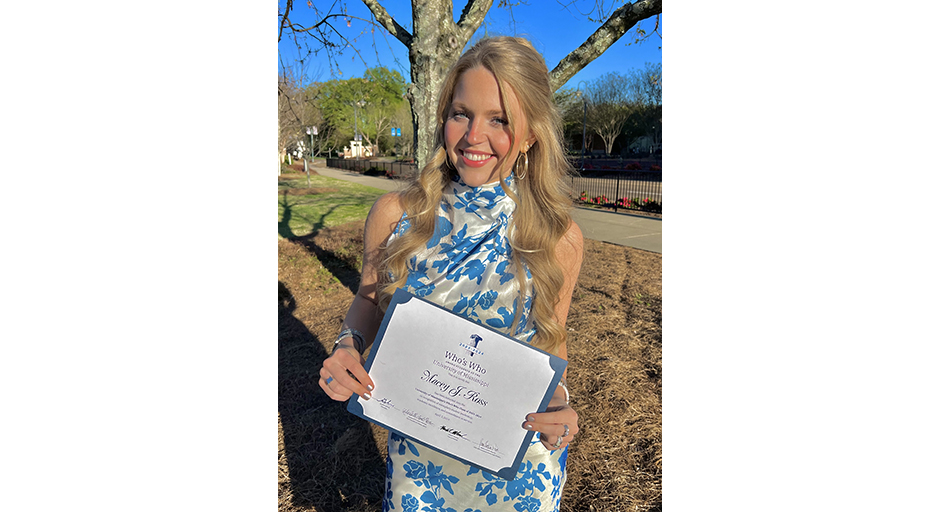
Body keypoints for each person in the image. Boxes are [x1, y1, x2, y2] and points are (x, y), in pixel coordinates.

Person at [319, 36, 584, 511]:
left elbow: (552, 339)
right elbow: (366, 299)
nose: (472, 135)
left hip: (522, 473)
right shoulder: (397, 215)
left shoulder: (558, 238)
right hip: (420, 472)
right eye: (461, 113)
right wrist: (346, 346)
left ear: (530, 134)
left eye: (499, 119)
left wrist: (561, 402)